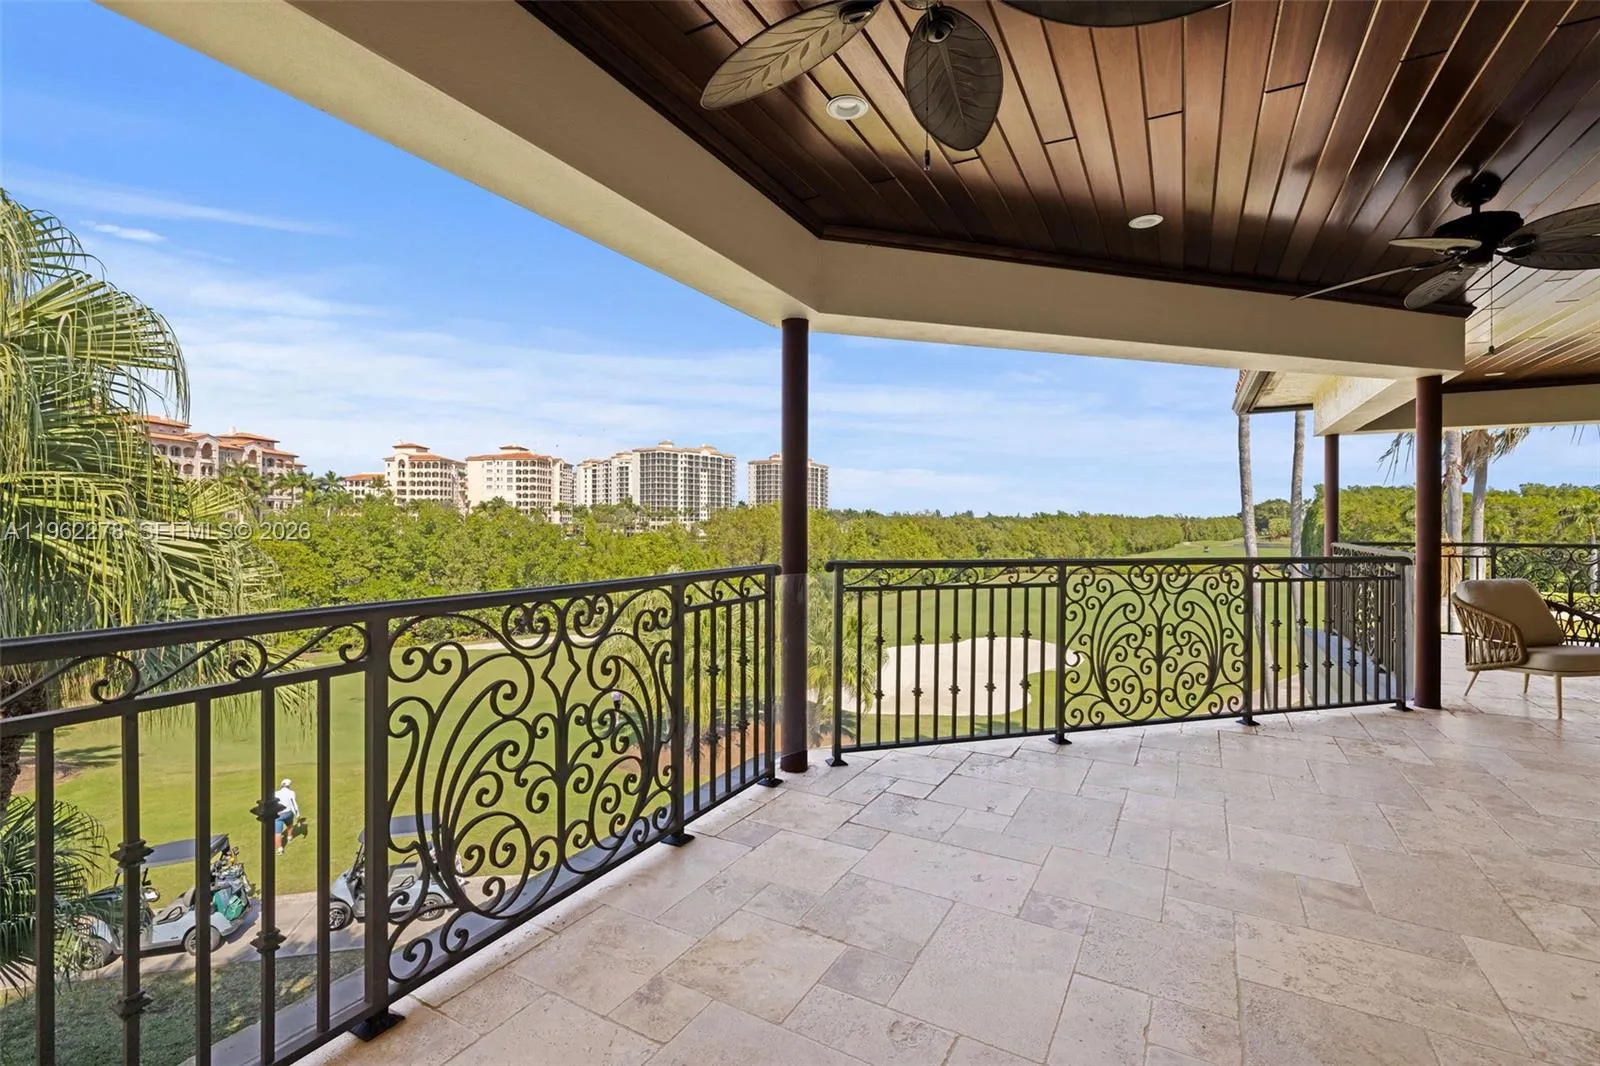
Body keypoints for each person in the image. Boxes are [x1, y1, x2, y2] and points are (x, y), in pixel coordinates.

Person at [274, 778, 300, 854]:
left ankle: (280, 849)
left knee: (277, 833)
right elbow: (293, 803)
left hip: (278, 815)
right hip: (288, 813)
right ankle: (289, 837)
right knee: (290, 825)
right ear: (288, 786)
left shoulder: (276, 793)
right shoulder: (291, 792)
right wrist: (297, 814)